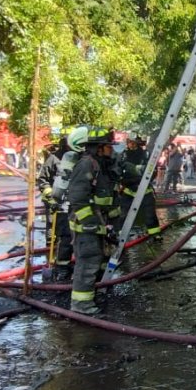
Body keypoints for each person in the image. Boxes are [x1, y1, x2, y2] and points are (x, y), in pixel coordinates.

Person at [66, 127, 121, 314]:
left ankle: (93, 295)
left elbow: (107, 198)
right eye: (108, 146)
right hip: (86, 225)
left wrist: (112, 224)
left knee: (99, 260)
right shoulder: (87, 165)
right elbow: (77, 196)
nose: (111, 150)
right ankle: (81, 304)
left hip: (99, 224)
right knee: (88, 260)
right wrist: (89, 221)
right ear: (99, 148)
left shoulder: (101, 166)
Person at [37, 132, 79, 283]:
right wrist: (52, 197)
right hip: (58, 204)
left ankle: (71, 265)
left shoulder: (78, 158)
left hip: (74, 203)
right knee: (61, 235)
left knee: (75, 236)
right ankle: (60, 267)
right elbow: (42, 180)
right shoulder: (53, 159)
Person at [118, 135, 161, 236]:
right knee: (123, 215)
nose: (131, 145)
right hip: (128, 190)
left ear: (138, 143)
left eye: (133, 142)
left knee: (150, 215)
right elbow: (118, 170)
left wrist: (144, 180)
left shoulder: (146, 155)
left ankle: (155, 236)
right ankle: (121, 237)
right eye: (129, 142)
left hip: (145, 190)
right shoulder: (123, 155)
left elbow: (153, 171)